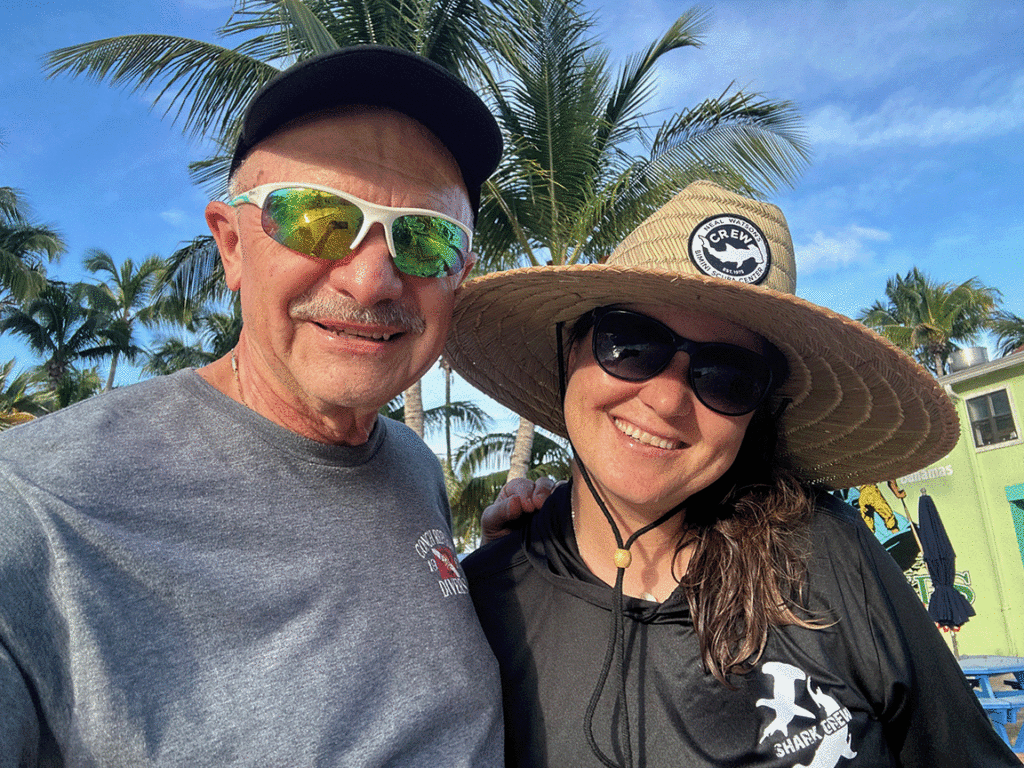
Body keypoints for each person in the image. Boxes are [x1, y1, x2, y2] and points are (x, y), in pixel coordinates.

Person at [0, 46, 504, 766]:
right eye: (318, 219)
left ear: (459, 275)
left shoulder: (414, 466)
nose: (371, 280)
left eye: (425, 238)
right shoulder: (35, 502)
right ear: (231, 245)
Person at [444, 180, 1020, 767]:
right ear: (572, 348)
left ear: (757, 414)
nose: (667, 401)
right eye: (632, 344)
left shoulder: (826, 557)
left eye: (727, 376)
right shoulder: (484, 601)